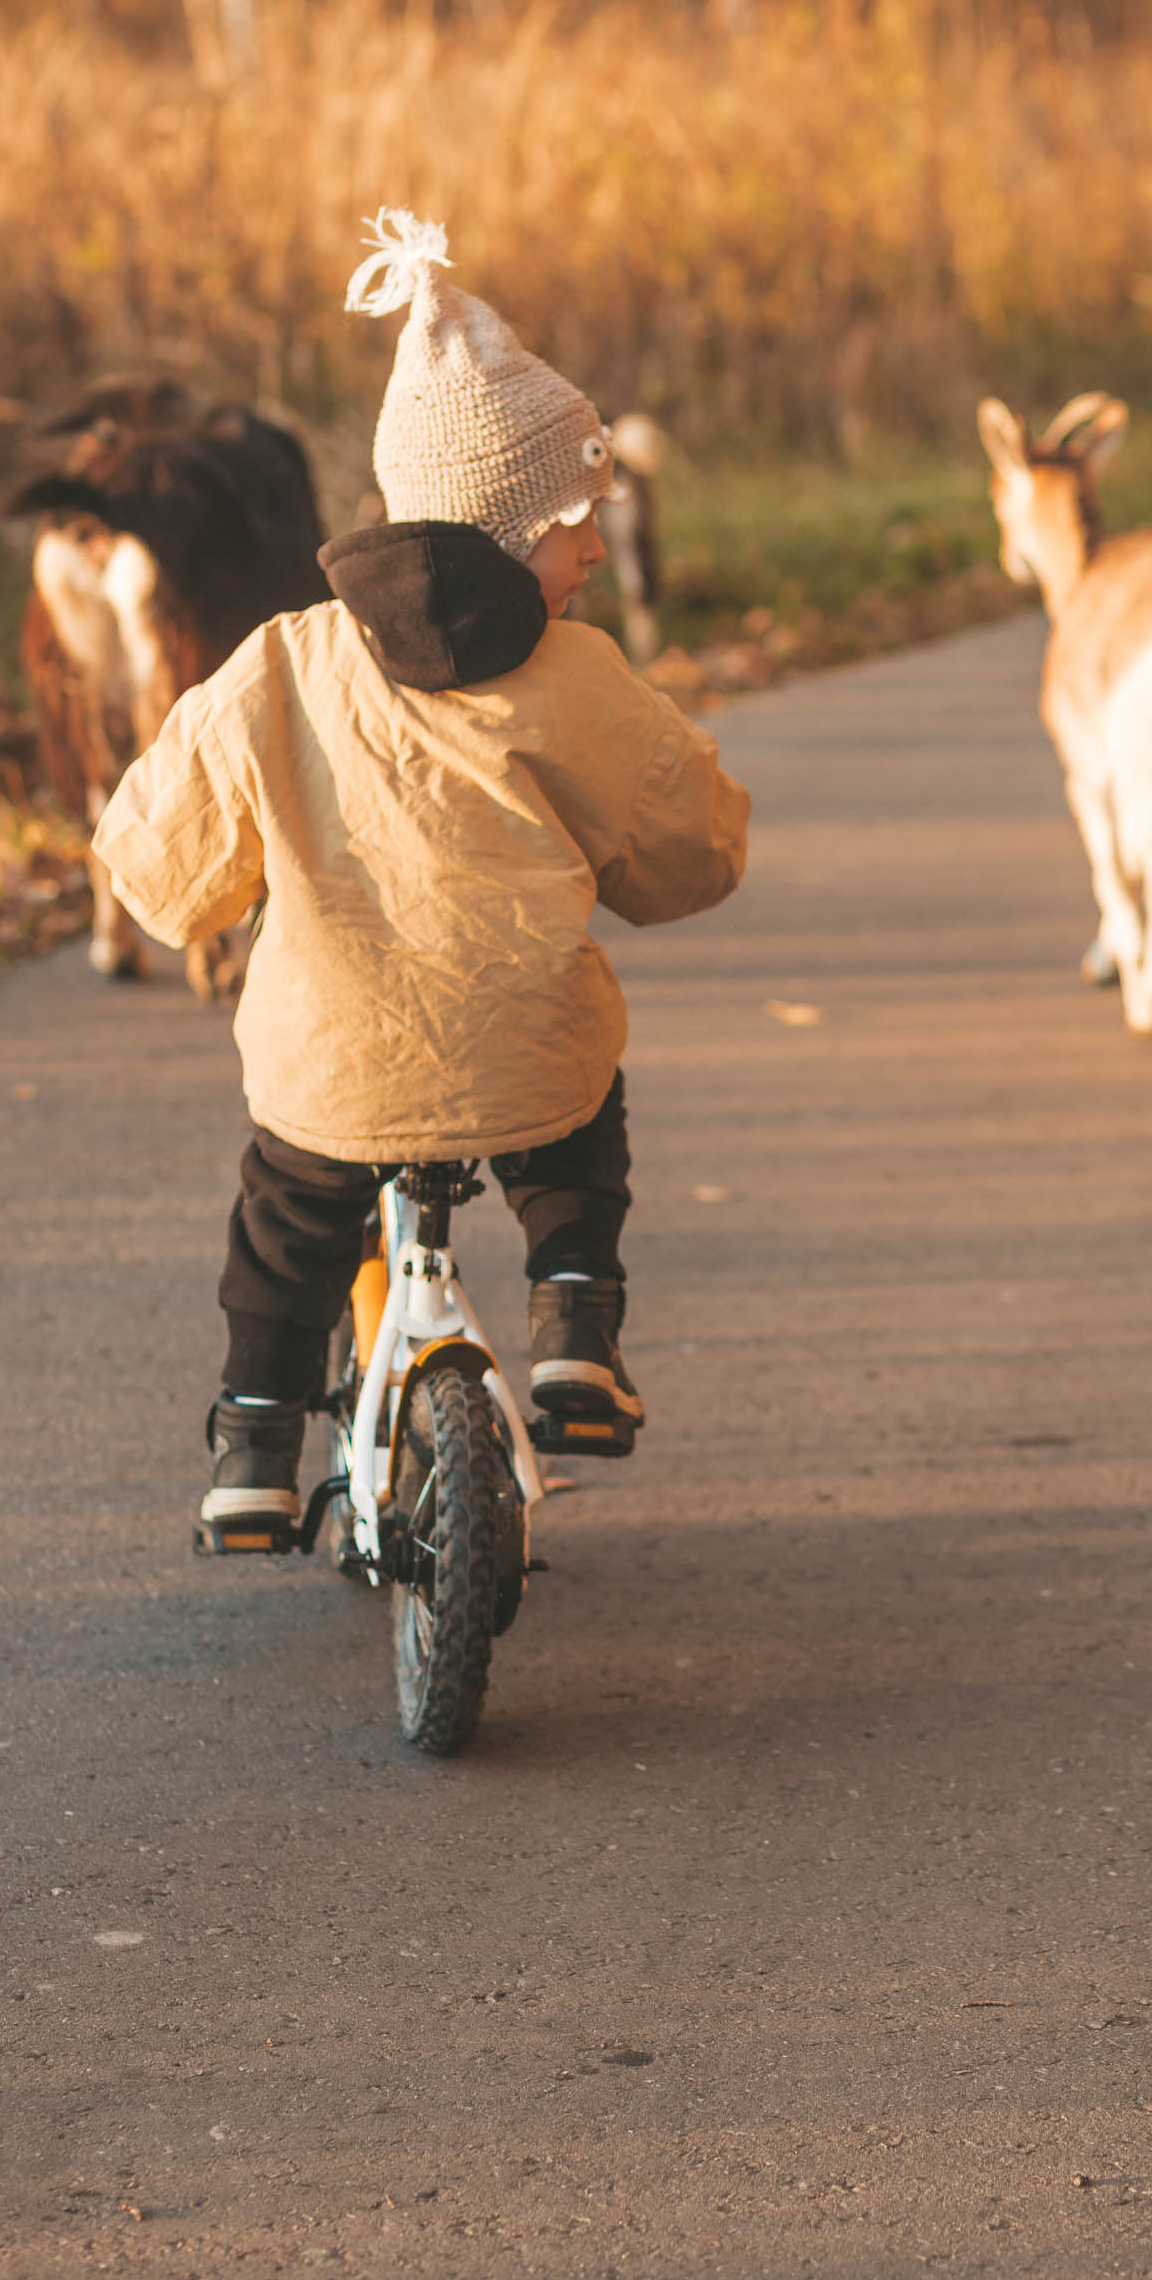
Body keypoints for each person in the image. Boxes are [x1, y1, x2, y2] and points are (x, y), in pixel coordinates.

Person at [93, 210, 750, 1548]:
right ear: (523, 531)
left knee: (284, 1232)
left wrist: (184, 896)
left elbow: (162, 858)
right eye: (581, 529)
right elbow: (690, 843)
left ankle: (255, 1445)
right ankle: (574, 1325)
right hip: (523, 1051)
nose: (589, 559)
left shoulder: (285, 661)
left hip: (333, 1070)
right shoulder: (577, 678)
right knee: (577, 1129)